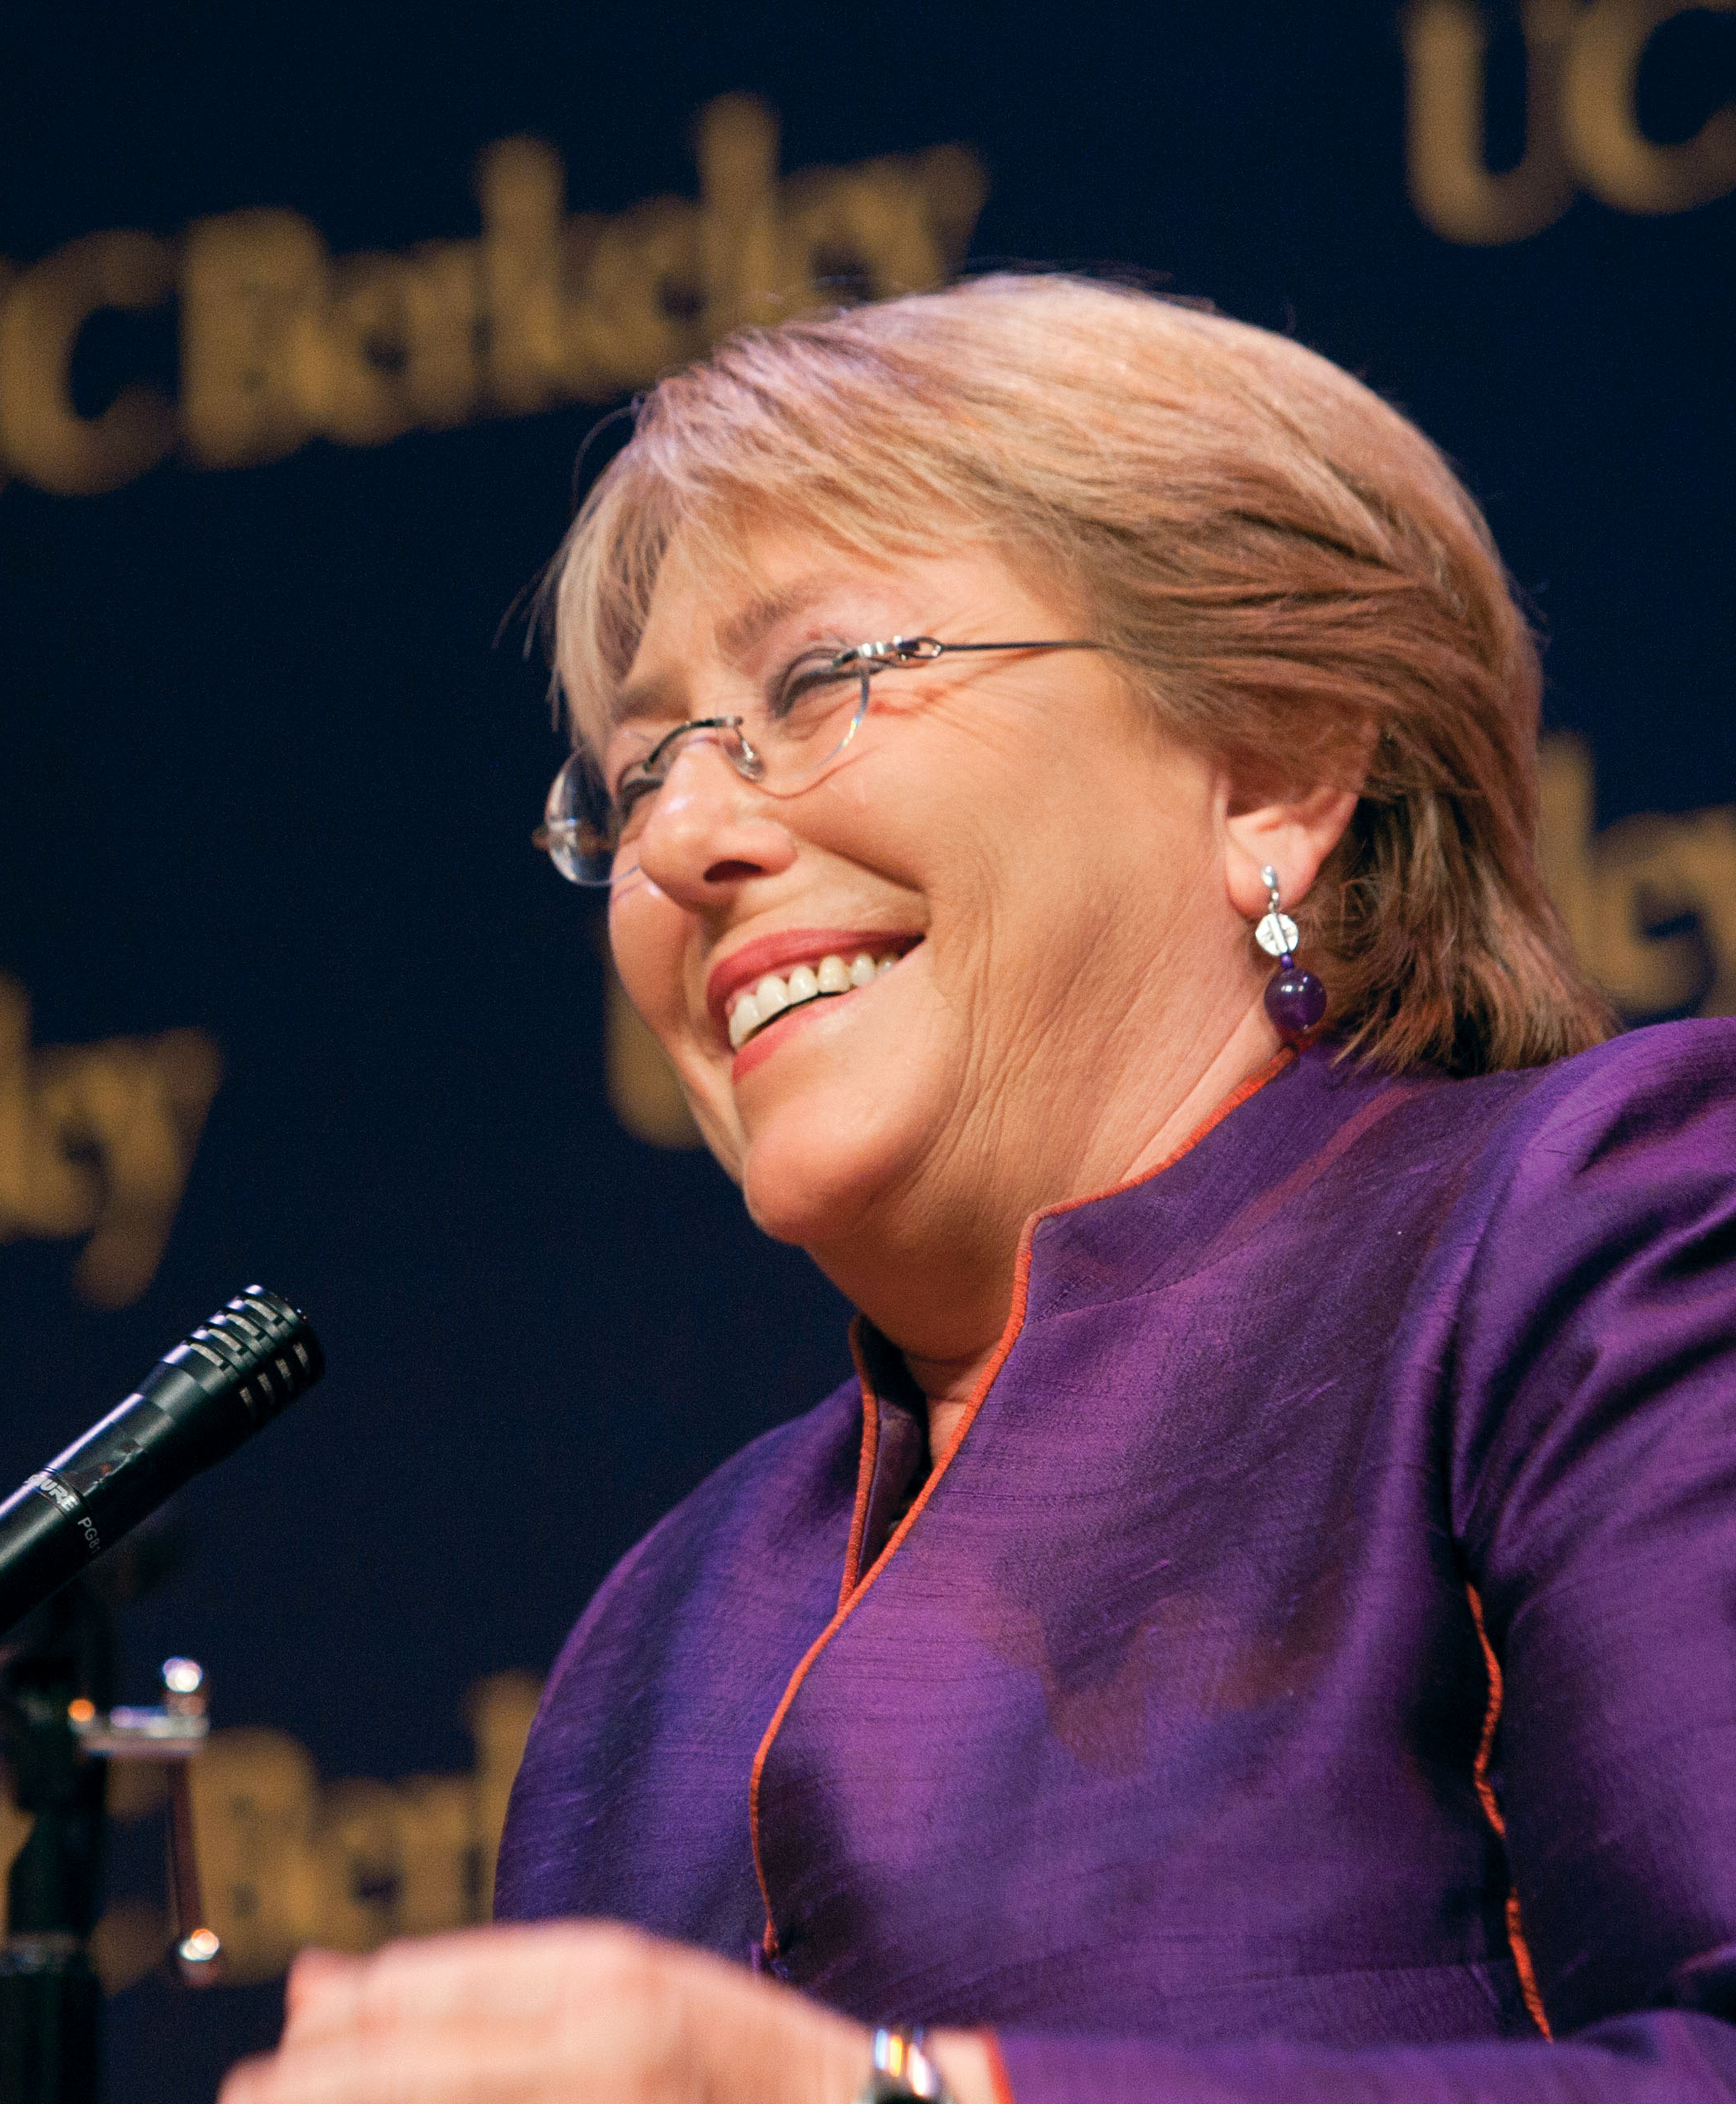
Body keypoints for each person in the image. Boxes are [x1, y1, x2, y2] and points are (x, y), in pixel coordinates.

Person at [219, 274, 1736, 2102]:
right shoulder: (661, 1633)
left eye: (818, 683)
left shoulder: (1597, 1231)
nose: (682, 840)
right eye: (635, 776)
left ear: (1270, 766)